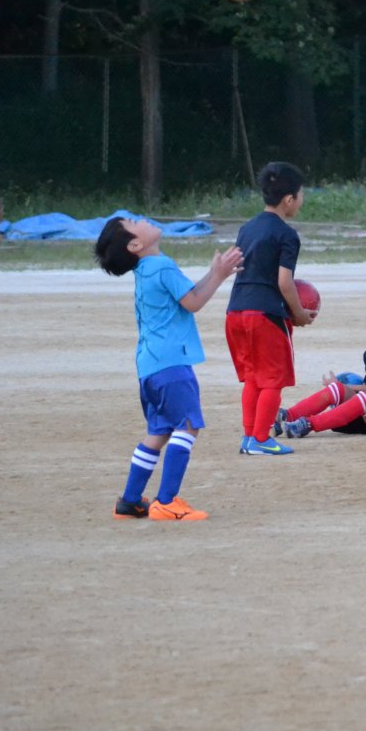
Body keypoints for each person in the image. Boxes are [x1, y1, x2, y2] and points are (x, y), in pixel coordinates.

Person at [95, 215, 243, 521]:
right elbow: (194, 302)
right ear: (135, 244)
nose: (143, 219)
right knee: (188, 425)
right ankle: (166, 501)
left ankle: (130, 501)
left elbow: (187, 296)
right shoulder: (161, 266)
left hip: (150, 367)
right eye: (135, 222)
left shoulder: (147, 270)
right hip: (172, 364)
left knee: (159, 431)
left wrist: (214, 273)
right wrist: (220, 275)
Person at [226, 161, 315, 456]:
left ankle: (249, 436)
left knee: (254, 378)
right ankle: (261, 439)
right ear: (289, 199)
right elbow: (285, 281)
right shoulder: (286, 234)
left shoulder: (246, 228)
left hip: (236, 312)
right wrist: (299, 312)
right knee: (273, 380)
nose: (302, 201)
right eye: (301, 196)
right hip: (265, 314)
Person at [278, 297, 366, 439]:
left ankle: (307, 425)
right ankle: (287, 416)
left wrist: (345, 385)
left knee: (365, 397)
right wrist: (340, 387)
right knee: (337, 389)